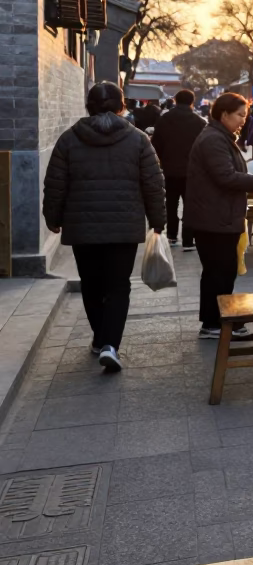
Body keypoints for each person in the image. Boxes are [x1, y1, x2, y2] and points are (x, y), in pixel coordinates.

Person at [42, 82, 166, 372]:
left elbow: (55, 184)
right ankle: (110, 344)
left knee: (92, 283)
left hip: (82, 227)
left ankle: (100, 339)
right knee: (118, 285)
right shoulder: (137, 140)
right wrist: (158, 221)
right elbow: (154, 184)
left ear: (89, 106)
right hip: (123, 226)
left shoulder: (69, 139)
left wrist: (53, 218)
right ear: (122, 106)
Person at [186, 92, 253, 339]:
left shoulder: (221, 136)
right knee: (219, 272)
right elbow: (225, 176)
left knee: (221, 271)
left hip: (219, 215)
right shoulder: (214, 139)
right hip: (213, 218)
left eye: (245, 115)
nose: (243, 120)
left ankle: (218, 320)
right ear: (224, 114)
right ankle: (215, 323)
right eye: (239, 115)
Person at [150, 88, 206, 252]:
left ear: (175, 100)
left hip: (170, 170)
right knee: (190, 205)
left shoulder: (164, 119)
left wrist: (162, 161)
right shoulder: (200, 122)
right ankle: (188, 240)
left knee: (171, 203)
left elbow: (156, 145)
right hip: (192, 172)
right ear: (192, 102)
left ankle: (172, 236)